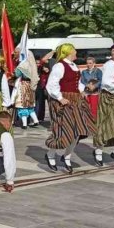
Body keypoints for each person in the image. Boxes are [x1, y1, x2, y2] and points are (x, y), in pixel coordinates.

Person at [44, 44, 96, 173]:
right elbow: (51, 85)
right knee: (64, 130)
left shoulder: (73, 65)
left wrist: (82, 91)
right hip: (63, 100)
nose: (76, 52)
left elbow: (77, 83)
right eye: (74, 50)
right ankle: (50, 154)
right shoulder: (60, 66)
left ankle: (67, 156)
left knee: (79, 129)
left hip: (75, 99)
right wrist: (60, 98)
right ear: (68, 52)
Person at [13, 48, 40, 129]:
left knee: (22, 104)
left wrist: (14, 71)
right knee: (30, 104)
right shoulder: (32, 64)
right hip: (30, 85)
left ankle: (24, 124)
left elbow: (17, 74)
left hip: (23, 85)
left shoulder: (23, 64)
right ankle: (35, 120)